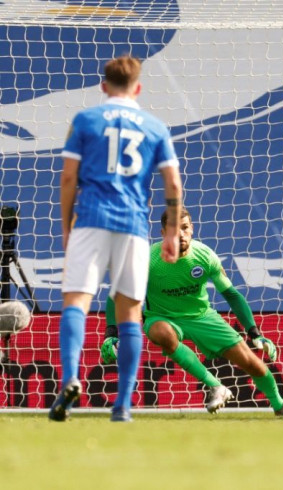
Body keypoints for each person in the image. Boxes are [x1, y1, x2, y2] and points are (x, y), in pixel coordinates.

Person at [51, 55, 182, 423]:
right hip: (134, 226)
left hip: (90, 219)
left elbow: (67, 178)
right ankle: (123, 404)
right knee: (130, 314)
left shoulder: (86, 120)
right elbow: (172, 183)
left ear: (103, 86)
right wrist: (171, 232)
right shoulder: (155, 127)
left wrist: (66, 226)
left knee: (76, 301)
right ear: (137, 88)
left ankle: (71, 379)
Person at [100, 208, 283, 417]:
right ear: (163, 234)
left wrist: (254, 332)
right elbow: (116, 293)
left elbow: (232, 295)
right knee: (161, 333)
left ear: (192, 229)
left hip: (201, 316)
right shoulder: (146, 260)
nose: (180, 234)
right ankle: (215, 386)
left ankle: (280, 405)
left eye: (185, 228)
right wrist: (111, 333)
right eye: (173, 229)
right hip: (163, 317)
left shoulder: (205, 256)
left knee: (251, 362)